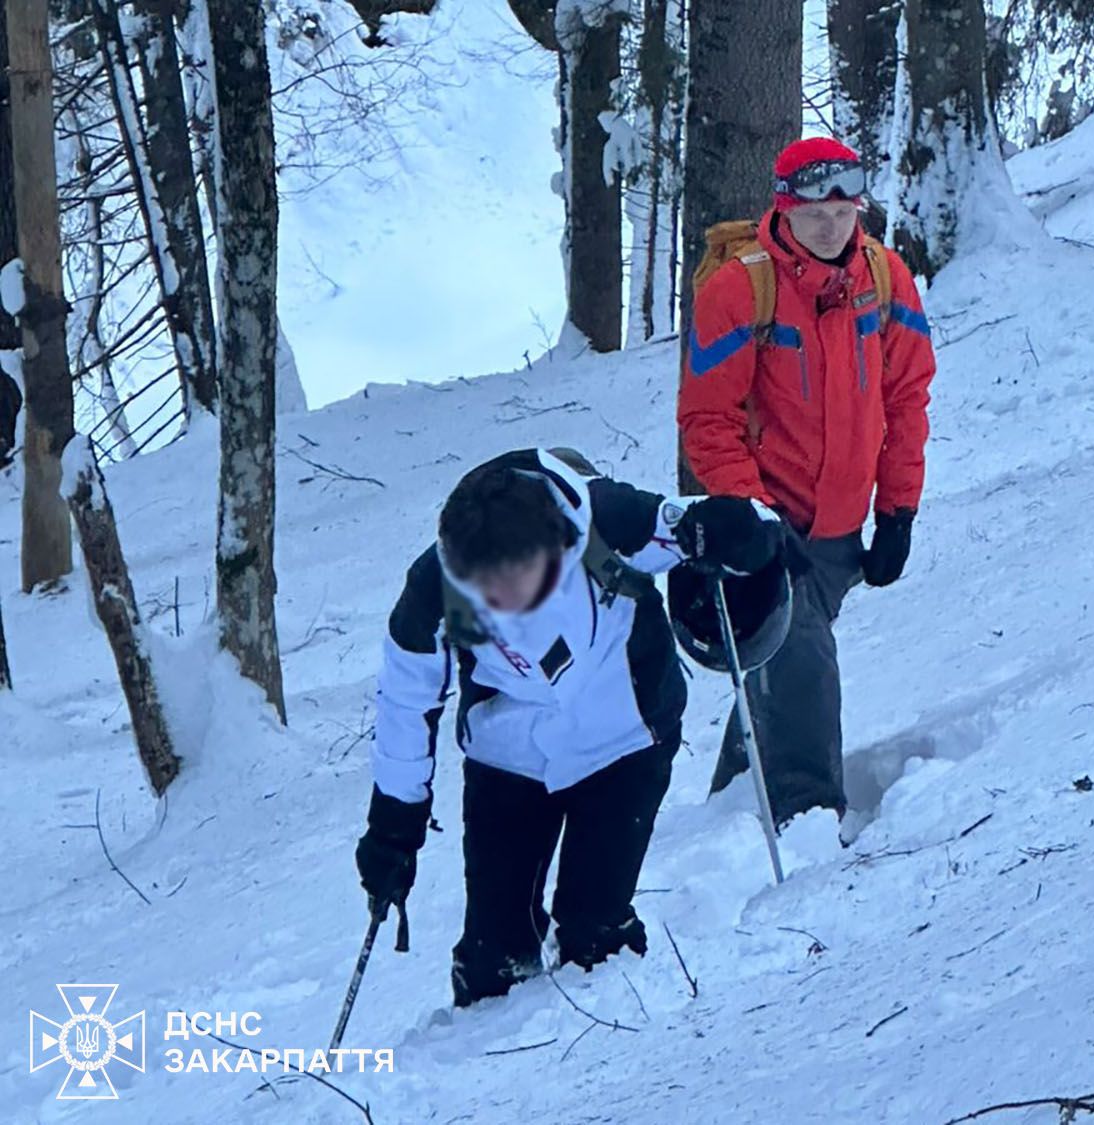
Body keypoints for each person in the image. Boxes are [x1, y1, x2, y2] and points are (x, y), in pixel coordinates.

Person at [354, 448, 784, 1007]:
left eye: (511, 590)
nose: (495, 609)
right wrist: (394, 823)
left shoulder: (607, 520)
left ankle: (608, 1053)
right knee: (493, 960)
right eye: (481, 592)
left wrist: (744, 534)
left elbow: (722, 525)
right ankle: (484, 1060)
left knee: (595, 935)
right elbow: (407, 706)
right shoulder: (433, 591)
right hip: (508, 755)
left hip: (624, 738)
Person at [678, 136, 938, 831]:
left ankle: (726, 821)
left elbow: (909, 397)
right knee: (803, 669)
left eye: (843, 207)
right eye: (813, 209)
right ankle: (809, 825)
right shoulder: (741, 289)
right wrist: (756, 524)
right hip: (766, 534)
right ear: (784, 206)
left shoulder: (887, 281)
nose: (830, 223)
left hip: (841, 534)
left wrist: (899, 512)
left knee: (775, 667)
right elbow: (707, 421)